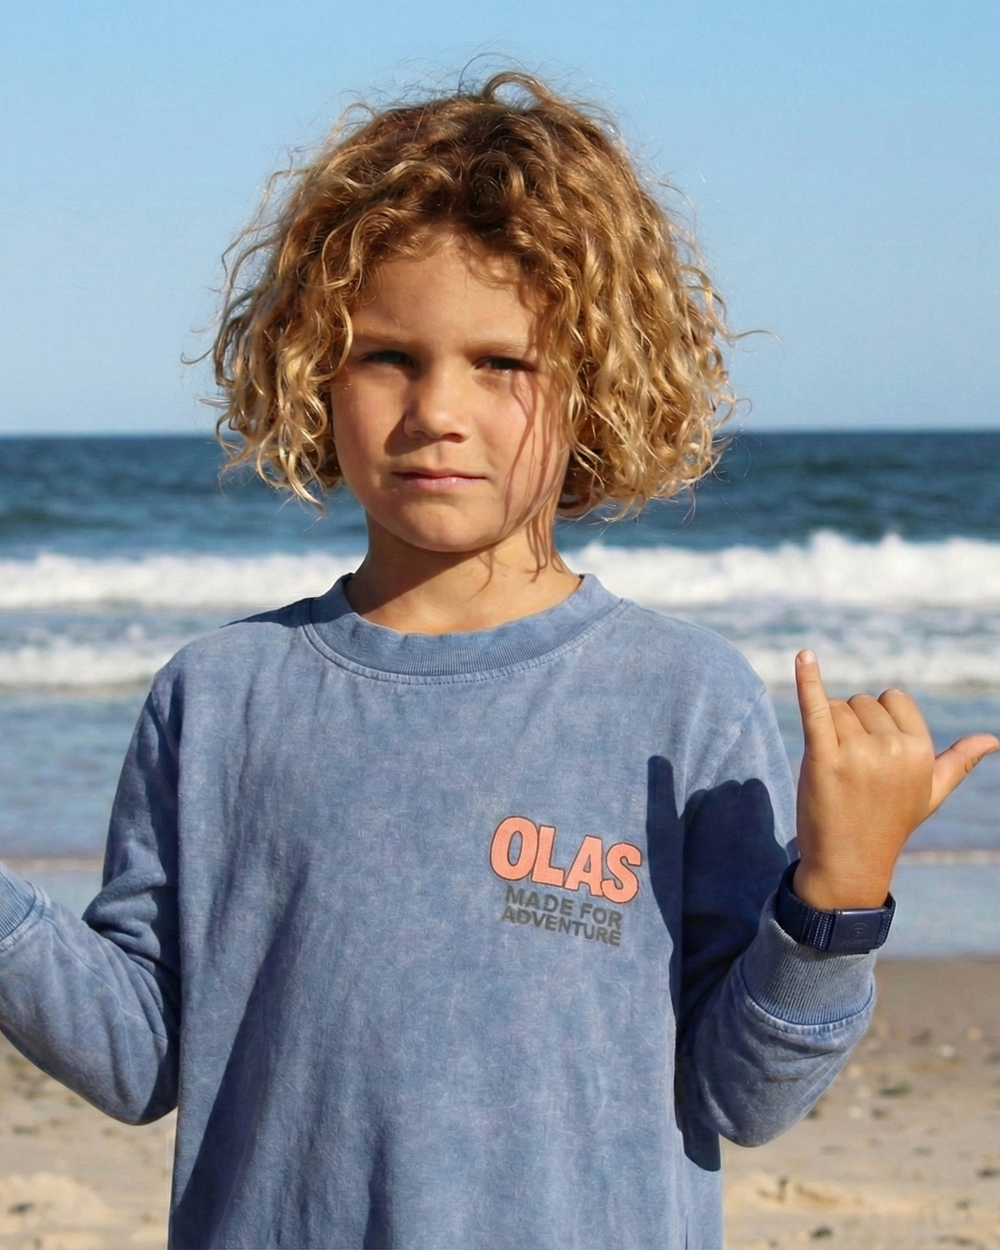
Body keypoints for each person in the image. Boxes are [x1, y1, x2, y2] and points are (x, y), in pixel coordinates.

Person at [0, 73, 995, 1250]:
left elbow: (746, 1092)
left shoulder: (679, 698)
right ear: (311, 367)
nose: (437, 409)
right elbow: (137, 1052)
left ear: (598, 386)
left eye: (501, 363)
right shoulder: (218, 695)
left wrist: (837, 888)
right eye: (388, 356)